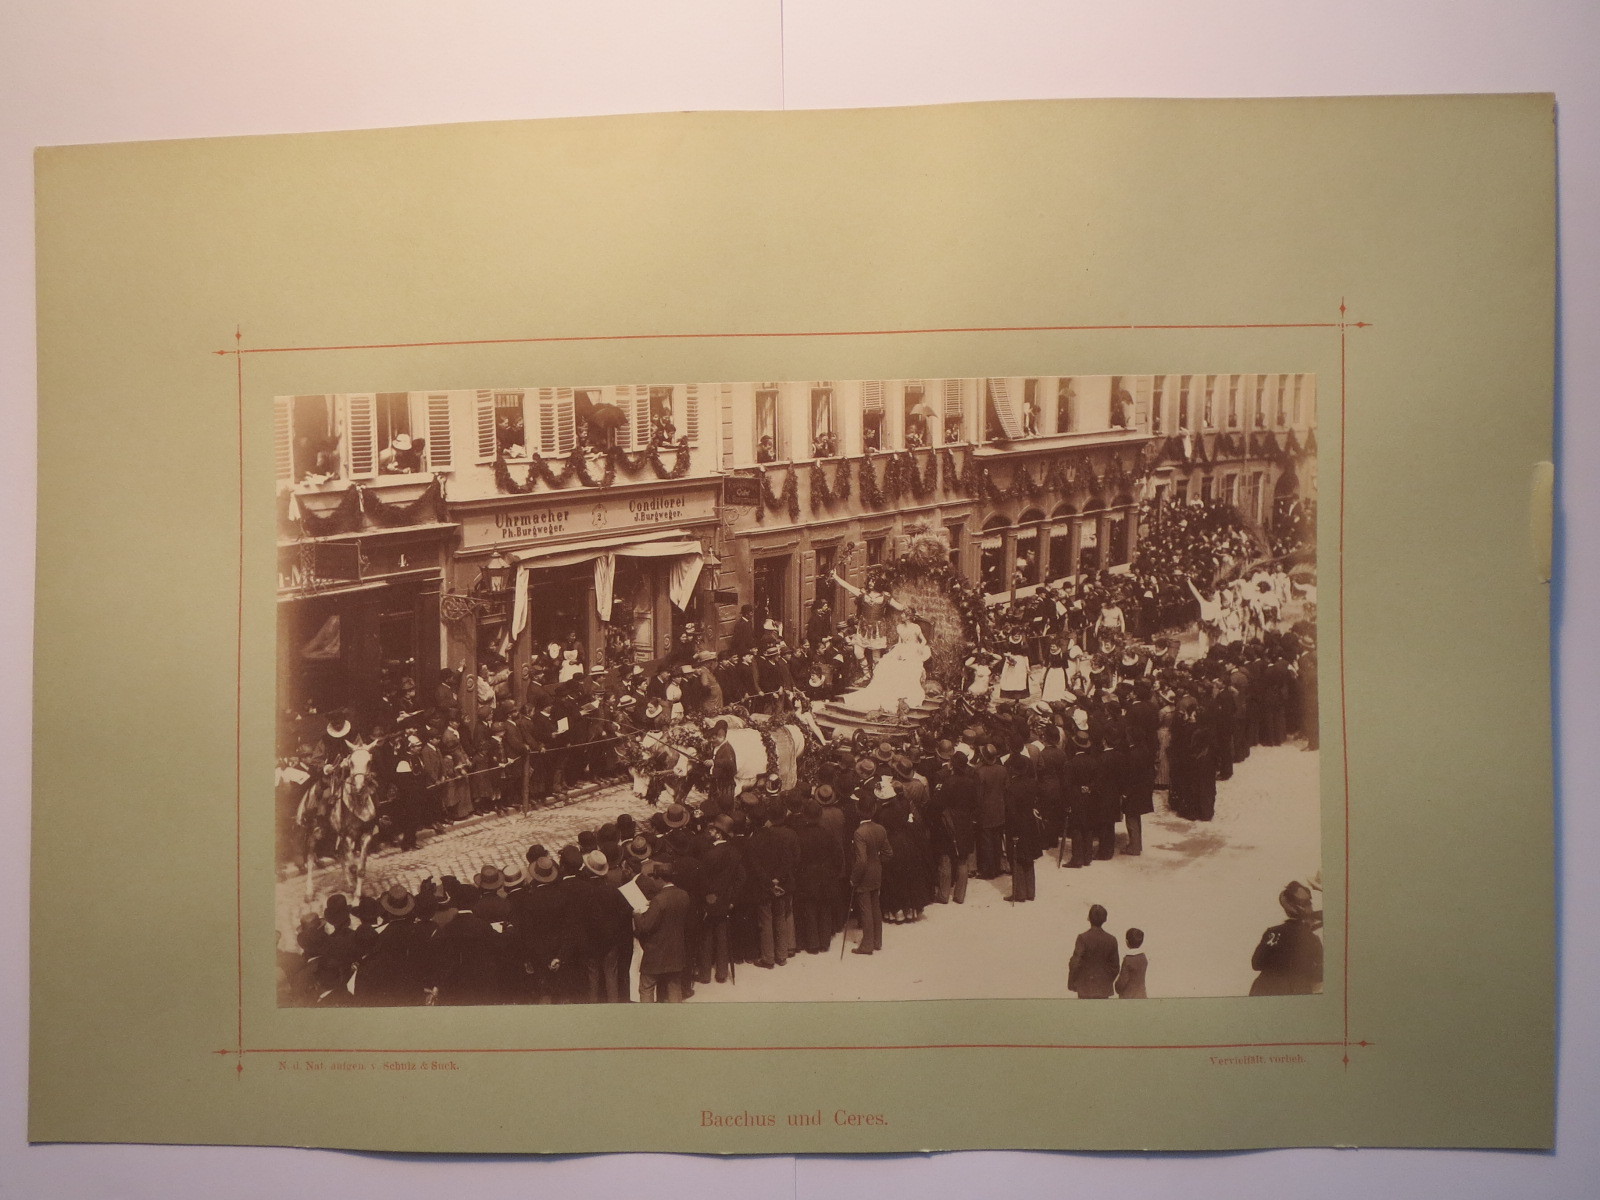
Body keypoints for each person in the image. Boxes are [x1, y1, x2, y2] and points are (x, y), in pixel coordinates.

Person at [838, 609, 930, 713]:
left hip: (914, 649)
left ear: (908, 616)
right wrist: (899, 652)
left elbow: (924, 640)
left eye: (904, 614)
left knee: (907, 666)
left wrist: (919, 648)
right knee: (886, 665)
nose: (902, 616)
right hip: (902, 649)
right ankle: (885, 690)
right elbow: (900, 642)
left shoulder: (916, 627)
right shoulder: (900, 627)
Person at [1249, 881, 1324, 996]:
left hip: (1266, 990)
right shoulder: (1313, 939)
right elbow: (1319, 974)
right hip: (1298, 993)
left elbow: (1256, 963)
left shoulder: (1273, 933)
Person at [634, 866, 691, 1002]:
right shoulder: (684, 894)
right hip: (676, 951)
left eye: (654, 878)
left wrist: (637, 914)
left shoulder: (659, 899)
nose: (653, 881)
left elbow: (645, 926)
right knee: (674, 986)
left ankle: (648, 1020)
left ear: (660, 879)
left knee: (646, 987)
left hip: (656, 953)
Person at [849, 784, 894, 955]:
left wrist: (854, 877)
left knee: (865, 909)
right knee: (876, 906)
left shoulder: (859, 832)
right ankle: (877, 941)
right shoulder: (880, 829)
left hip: (864, 874)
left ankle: (866, 944)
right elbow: (889, 853)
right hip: (877, 871)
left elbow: (861, 861)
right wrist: (877, 862)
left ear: (858, 810)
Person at [1067, 903, 1120, 999]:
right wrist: (1105, 981)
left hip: (1085, 988)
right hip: (1103, 989)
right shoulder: (1112, 939)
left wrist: (1072, 982)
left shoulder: (1082, 938)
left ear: (1089, 918)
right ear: (1105, 919)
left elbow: (1075, 962)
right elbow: (1115, 967)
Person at [1115, 928, 1149, 998]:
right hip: (1141, 995)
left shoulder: (1128, 960)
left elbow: (1122, 981)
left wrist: (1116, 986)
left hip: (1128, 996)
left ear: (1127, 942)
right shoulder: (1143, 957)